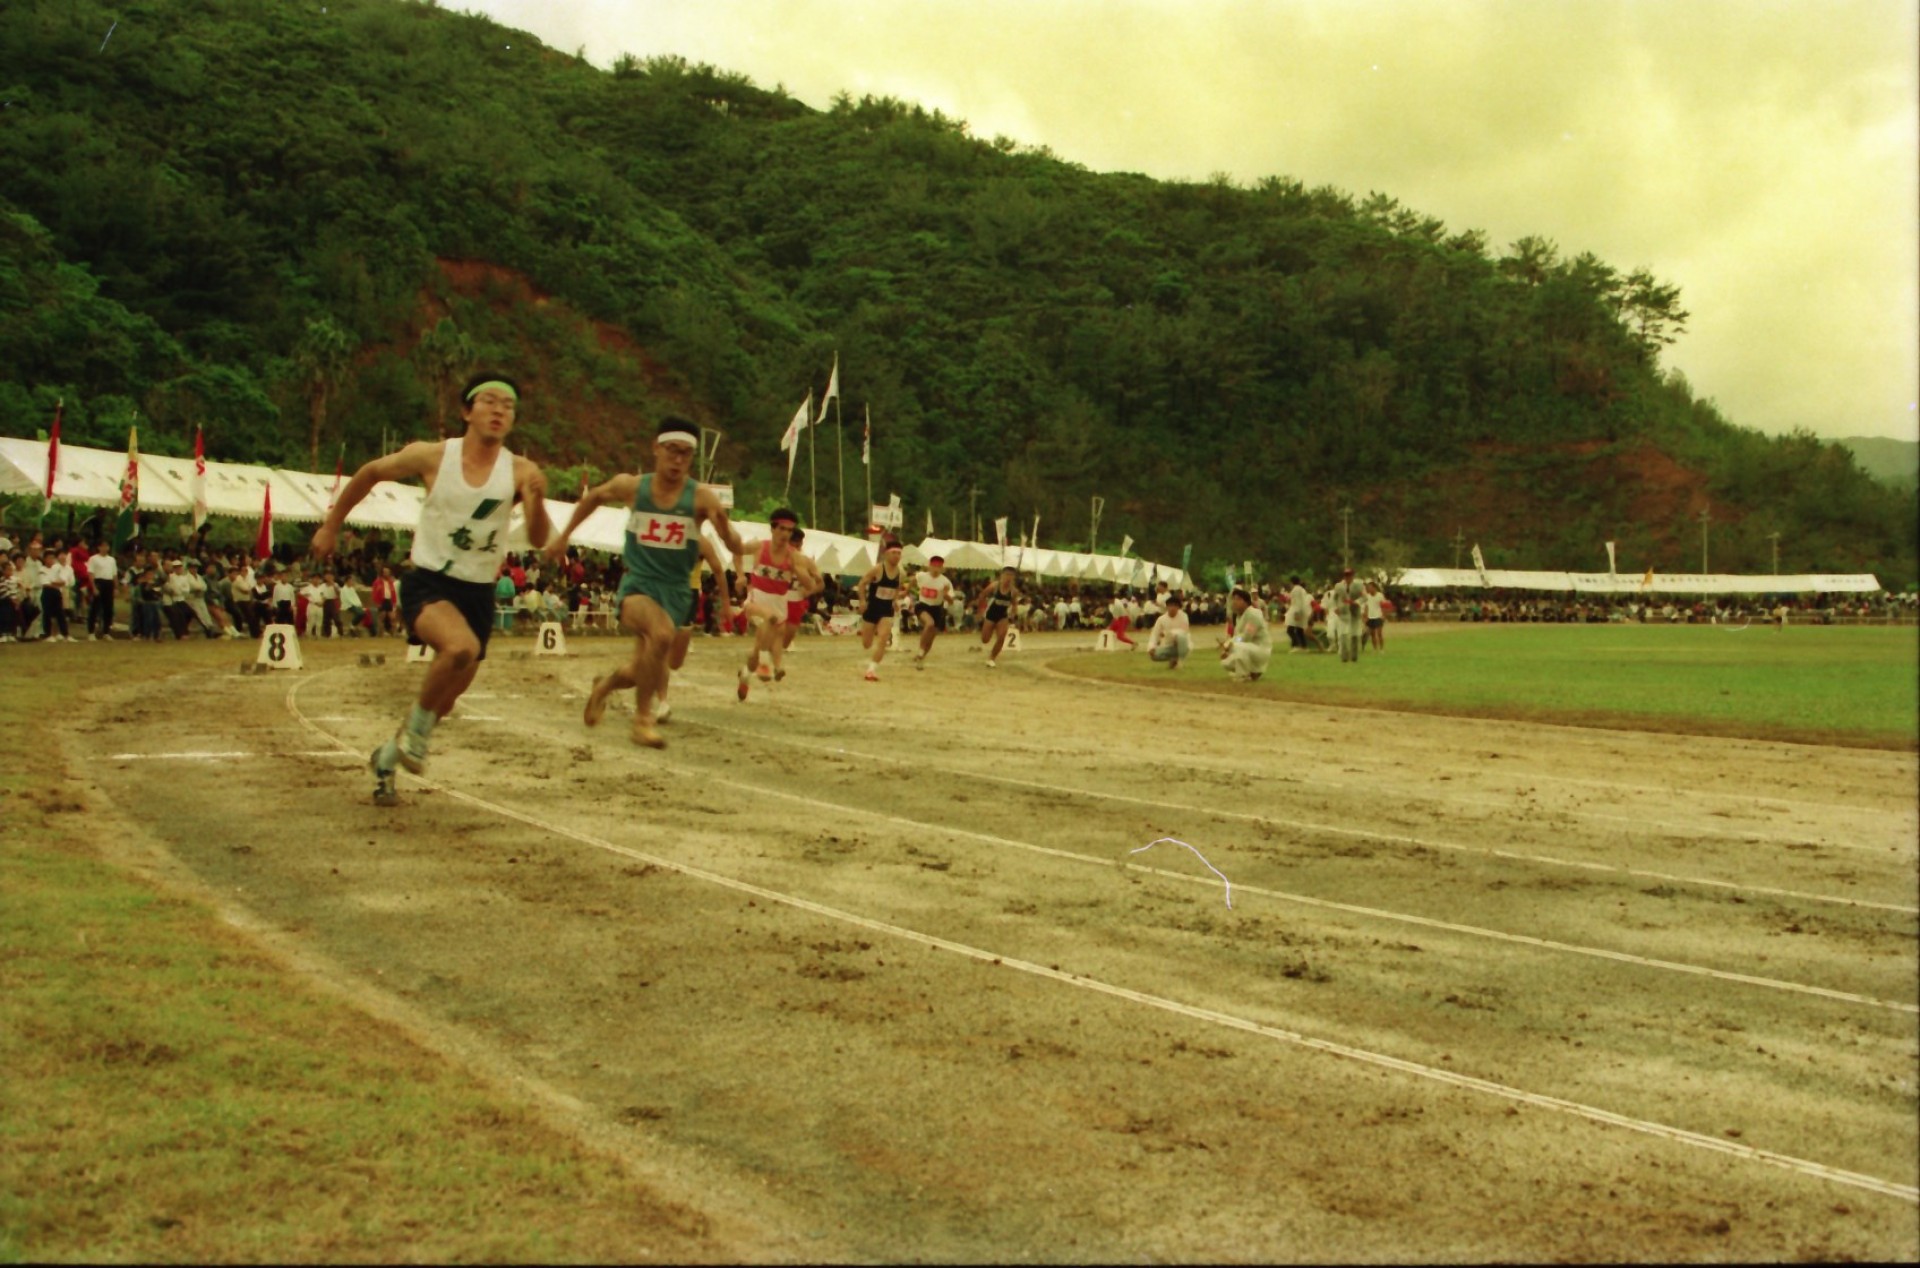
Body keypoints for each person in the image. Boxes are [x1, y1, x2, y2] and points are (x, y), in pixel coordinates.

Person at [312, 371, 552, 806]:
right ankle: (416, 739)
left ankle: (386, 756)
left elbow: (538, 538)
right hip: (429, 582)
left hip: (478, 592)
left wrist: (535, 502)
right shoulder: (433, 456)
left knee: (445, 700)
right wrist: (331, 525)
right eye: (489, 401)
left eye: (508, 405)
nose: (499, 410)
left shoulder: (521, 471)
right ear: (466, 411)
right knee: (457, 648)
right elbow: (370, 473)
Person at [544, 415, 741, 744]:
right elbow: (593, 497)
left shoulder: (701, 498)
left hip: (676, 592)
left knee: (643, 670)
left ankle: (603, 688)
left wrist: (746, 550)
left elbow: (729, 538)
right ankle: (642, 721)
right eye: (671, 450)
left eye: (685, 454)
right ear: (656, 449)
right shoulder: (632, 487)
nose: (677, 460)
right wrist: (564, 535)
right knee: (662, 634)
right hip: (638, 585)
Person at [732, 509, 819, 698]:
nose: (785, 534)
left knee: (761, 644)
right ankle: (766, 663)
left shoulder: (794, 557)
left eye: (789, 530)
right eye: (782, 529)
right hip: (757, 598)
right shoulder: (759, 547)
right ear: (772, 529)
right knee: (769, 619)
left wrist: (804, 580)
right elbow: (736, 550)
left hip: (779, 602)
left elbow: (812, 583)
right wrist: (740, 575)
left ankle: (746, 674)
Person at [852, 537, 907, 681]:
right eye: (894, 552)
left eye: (899, 553)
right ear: (886, 554)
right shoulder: (877, 569)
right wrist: (862, 601)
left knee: (883, 638)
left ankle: (871, 670)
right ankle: (869, 639)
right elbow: (862, 583)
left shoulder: (901, 574)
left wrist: (895, 600)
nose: (896, 556)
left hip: (886, 610)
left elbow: (896, 588)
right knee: (867, 644)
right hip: (872, 608)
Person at [908, 555, 955, 667]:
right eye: (934, 566)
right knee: (929, 624)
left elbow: (951, 601)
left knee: (932, 637)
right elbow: (912, 582)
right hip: (923, 605)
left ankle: (921, 657)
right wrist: (905, 592)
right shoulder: (921, 576)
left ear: (942, 568)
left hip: (937, 608)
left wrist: (945, 595)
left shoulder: (945, 582)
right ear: (929, 566)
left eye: (939, 567)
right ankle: (920, 649)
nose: (936, 569)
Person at [1219, 587, 1272, 681]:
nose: (1234, 602)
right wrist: (1227, 647)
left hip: (1260, 649)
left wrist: (1230, 643)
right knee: (1225, 663)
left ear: (1246, 602)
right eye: (1234, 599)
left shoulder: (1253, 614)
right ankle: (1253, 673)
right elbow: (1238, 638)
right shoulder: (1240, 617)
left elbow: (1246, 637)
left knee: (1238, 646)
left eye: (1238, 599)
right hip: (1249, 648)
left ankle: (1243, 675)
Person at [976, 566, 1021, 668]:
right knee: (985, 639)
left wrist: (1014, 616)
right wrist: (980, 610)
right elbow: (982, 595)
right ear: (1002, 576)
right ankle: (987, 633)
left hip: (1002, 616)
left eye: (1011, 575)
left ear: (1013, 578)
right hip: (991, 615)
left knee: (1002, 636)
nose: (1008, 578)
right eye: (1006, 575)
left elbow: (1014, 604)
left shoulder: (1014, 591)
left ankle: (991, 658)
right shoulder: (995, 586)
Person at [1328, 567, 1366, 663]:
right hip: (1343, 612)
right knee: (1343, 634)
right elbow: (1334, 599)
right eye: (1346, 575)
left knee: (1355, 635)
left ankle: (1354, 656)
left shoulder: (1359, 585)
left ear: (1353, 576)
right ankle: (1344, 656)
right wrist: (1335, 607)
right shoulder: (1338, 586)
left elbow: (1364, 597)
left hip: (1354, 611)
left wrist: (1356, 602)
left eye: (1349, 575)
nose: (1348, 577)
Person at [1146, 594, 1191, 668]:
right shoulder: (1161, 619)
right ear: (1167, 607)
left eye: (1175, 606)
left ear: (1178, 607)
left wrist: (1168, 633)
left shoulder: (1184, 616)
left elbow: (1184, 631)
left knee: (1180, 637)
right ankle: (1173, 659)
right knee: (1154, 655)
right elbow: (1154, 634)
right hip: (1169, 646)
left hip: (1184, 645)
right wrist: (1151, 647)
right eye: (1170, 605)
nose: (1172, 608)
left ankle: (1180, 662)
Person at [84, 541, 117, 640]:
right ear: (99, 547)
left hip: (109, 583)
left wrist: (115, 587)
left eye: (107, 546)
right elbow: (91, 574)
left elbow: (114, 574)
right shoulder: (93, 559)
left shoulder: (111, 560)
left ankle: (106, 632)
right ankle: (91, 632)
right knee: (95, 608)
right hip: (99, 582)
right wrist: (94, 587)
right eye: (103, 546)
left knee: (108, 609)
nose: (105, 548)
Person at [1284, 576, 1311, 652]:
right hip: (1301, 610)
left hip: (1297, 611)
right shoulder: (1301, 589)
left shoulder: (1296, 590)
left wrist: (1297, 613)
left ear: (1291, 582)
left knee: (1290, 630)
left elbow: (1298, 602)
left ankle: (1295, 645)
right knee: (1299, 630)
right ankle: (1304, 647)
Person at [1363, 579, 1387, 653]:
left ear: (1374, 587)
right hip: (1370, 617)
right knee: (1372, 634)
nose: (1369, 589)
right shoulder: (1367, 596)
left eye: (1370, 587)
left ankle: (1381, 649)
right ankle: (1375, 649)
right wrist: (1365, 616)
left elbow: (1384, 606)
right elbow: (1366, 607)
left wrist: (1383, 615)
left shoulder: (1380, 595)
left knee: (1379, 633)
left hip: (1378, 616)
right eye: (1368, 587)